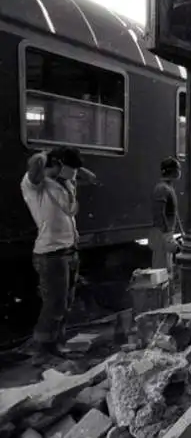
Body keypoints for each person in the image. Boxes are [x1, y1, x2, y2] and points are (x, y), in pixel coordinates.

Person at [21, 146, 98, 363]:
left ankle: (56, 345)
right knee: (54, 304)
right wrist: (46, 157)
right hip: (50, 253)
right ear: (56, 164)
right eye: (69, 167)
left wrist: (77, 169)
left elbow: (88, 178)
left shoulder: (64, 184)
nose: (73, 173)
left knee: (65, 303)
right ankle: (41, 352)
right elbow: (35, 168)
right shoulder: (35, 185)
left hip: (68, 250)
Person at [150, 157, 181, 273]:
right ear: (173, 171)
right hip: (162, 233)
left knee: (166, 268)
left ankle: (166, 289)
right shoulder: (162, 188)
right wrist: (167, 236)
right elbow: (158, 213)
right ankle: (161, 290)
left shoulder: (167, 188)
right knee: (161, 269)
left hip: (164, 232)